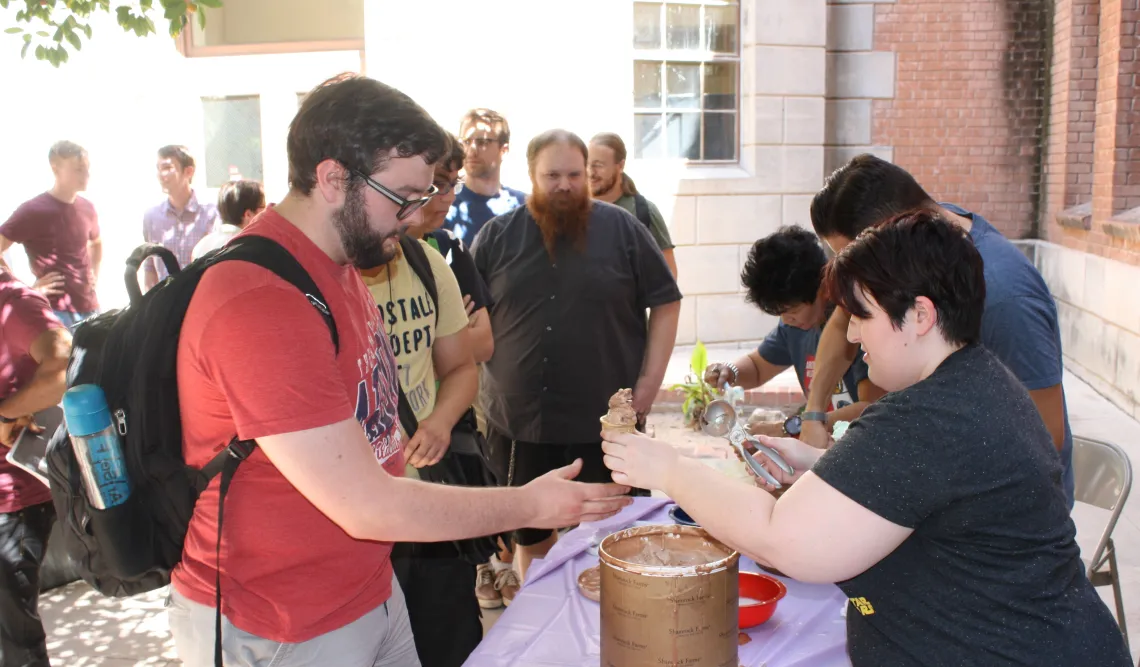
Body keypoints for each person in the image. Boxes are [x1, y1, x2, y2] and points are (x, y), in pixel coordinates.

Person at [168, 76, 631, 666]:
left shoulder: (343, 263)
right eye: (403, 196)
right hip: (281, 623)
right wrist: (531, 506)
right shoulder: (261, 300)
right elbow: (367, 505)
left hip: (367, 588)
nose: (416, 215)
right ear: (334, 178)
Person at [602, 211, 1131, 667]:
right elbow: (925, 489)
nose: (851, 335)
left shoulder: (931, 416)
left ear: (920, 315)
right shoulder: (972, 381)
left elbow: (784, 541)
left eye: (862, 316)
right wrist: (820, 464)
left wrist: (668, 469)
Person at [797, 155, 1075, 506]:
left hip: (1003, 508)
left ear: (897, 232)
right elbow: (842, 324)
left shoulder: (1006, 298)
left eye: (859, 262)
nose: (855, 330)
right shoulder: (921, 236)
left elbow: (1045, 436)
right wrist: (814, 414)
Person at [472, 129, 682, 579]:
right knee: (533, 540)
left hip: (606, 423)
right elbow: (468, 319)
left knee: (612, 539)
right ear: (531, 175)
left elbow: (667, 300)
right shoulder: (495, 237)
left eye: (574, 174)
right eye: (552, 175)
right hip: (521, 421)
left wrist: (648, 385)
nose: (564, 185)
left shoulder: (623, 228)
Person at [414, 135, 514, 608]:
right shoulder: (364, 256)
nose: (445, 197)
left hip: (450, 432)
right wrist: (446, 336)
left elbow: (483, 343)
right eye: (435, 184)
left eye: (451, 184)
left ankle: (485, 571)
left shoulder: (448, 251)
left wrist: (437, 344)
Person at [704, 226, 882, 436]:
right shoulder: (794, 328)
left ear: (823, 288)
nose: (786, 320)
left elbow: (872, 409)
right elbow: (758, 367)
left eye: (793, 311)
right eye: (780, 313)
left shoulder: (857, 328)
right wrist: (730, 371)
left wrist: (790, 428)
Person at [0, 266, 72, 666]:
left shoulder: (14, 302)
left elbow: (64, 364)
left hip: (14, 498)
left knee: (16, 640)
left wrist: (7, 414)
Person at [0, 141, 102, 327]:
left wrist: (94, 272)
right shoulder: (33, 211)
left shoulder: (88, 208)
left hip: (91, 309)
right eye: (78, 169)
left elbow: (96, 243)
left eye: (87, 168)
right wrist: (24, 289)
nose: (86, 174)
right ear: (56, 169)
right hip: (54, 312)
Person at [587, 133, 677, 277]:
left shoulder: (644, 212)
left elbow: (668, 275)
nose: (591, 172)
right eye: (587, 164)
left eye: (598, 165)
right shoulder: (573, 210)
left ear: (620, 166)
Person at [444, 108, 527, 246]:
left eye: (483, 142)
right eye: (466, 141)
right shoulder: (445, 202)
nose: (472, 150)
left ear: (504, 150)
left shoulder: (521, 206)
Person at [143, 145, 219, 285]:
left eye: (167, 168)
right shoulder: (151, 217)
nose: (161, 174)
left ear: (188, 171)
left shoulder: (211, 214)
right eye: (158, 168)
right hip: (166, 302)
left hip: (199, 299)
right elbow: (150, 268)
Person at [191, 180, 266, 261]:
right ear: (248, 214)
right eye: (264, 207)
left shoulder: (201, 246)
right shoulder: (254, 248)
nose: (267, 212)